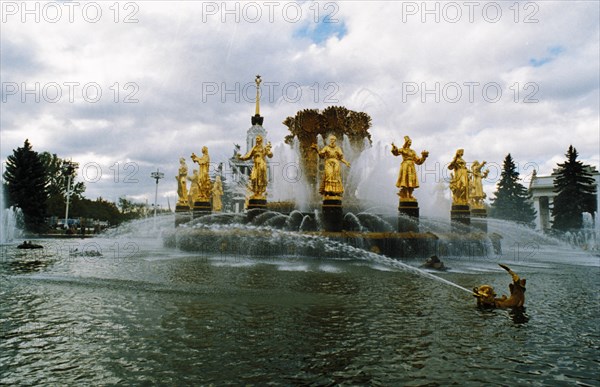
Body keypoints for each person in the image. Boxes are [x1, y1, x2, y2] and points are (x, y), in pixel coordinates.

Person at [391, 136, 429, 200]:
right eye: (408, 142)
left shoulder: (412, 152)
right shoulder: (402, 149)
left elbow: (418, 161)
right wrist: (394, 148)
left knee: (412, 180)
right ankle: (405, 195)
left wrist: (423, 157)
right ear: (406, 142)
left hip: (412, 166)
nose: (410, 143)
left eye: (410, 142)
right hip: (405, 166)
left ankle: (410, 195)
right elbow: (396, 153)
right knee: (405, 180)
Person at [237, 135, 273, 199]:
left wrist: (269, 151)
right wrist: (241, 158)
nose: (257, 140)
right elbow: (248, 156)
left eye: (258, 138)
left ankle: (260, 193)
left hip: (262, 165)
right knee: (254, 178)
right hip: (256, 166)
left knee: (261, 179)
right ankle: (255, 192)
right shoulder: (254, 148)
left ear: (261, 139)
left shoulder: (264, 148)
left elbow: (270, 155)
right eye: (256, 138)